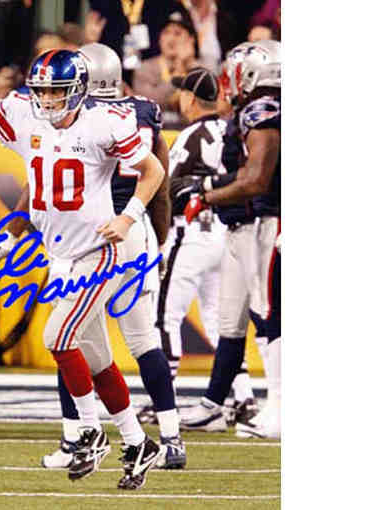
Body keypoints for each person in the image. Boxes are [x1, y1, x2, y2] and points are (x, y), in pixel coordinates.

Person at [0, 31, 165, 489]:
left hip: (99, 252)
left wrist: (129, 216)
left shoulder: (105, 122)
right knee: (97, 360)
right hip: (61, 255)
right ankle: (138, 442)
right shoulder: (26, 115)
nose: (47, 100)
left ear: (77, 90)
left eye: (55, 91)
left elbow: (152, 169)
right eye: (41, 91)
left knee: (57, 336)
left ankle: (90, 432)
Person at [24, 42, 183, 471]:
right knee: (135, 339)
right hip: (132, 230)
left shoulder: (85, 121)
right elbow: (160, 185)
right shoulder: (142, 112)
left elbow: (44, 184)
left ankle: (78, 434)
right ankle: (168, 437)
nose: (50, 96)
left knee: (68, 335)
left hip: (96, 237)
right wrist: (159, 240)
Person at [179, 41, 281, 439]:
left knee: (269, 317)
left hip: (264, 224)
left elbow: (256, 179)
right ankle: (215, 404)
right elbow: (247, 173)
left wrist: (206, 194)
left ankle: (279, 407)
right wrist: (209, 187)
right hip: (245, 225)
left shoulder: (263, 110)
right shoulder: (256, 111)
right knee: (232, 320)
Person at [151, 67, 258, 433]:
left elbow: (169, 188)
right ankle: (243, 396)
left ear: (191, 98)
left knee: (165, 316)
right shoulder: (229, 129)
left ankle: (162, 399)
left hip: (192, 232)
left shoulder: (192, 134)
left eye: (183, 92)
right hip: (223, 232)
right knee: (219, 320)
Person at [132, 11, 199, 129]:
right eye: (166, 33)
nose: (171, 39)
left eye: (177, 33)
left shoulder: (200, 71)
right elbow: (148, 104)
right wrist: (179, 72)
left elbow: (203, 109)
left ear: (191, 39)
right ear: (159, 38)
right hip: (156, 133)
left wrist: (188, 67)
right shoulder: (145, 68)